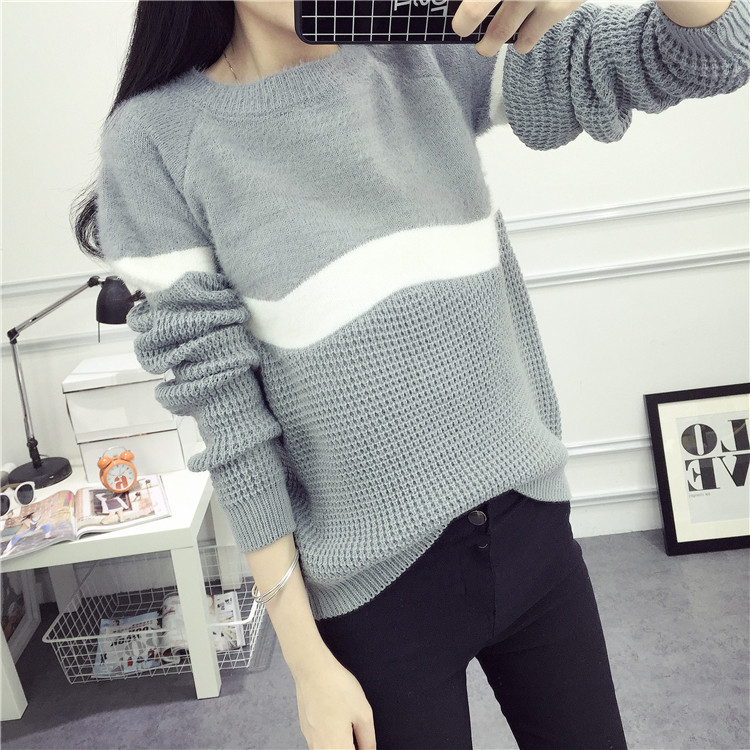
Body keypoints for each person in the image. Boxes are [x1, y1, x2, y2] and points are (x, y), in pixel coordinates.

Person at [73, 1, 749, 748]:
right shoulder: (156, 139)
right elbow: (230, 424)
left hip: (533, 534)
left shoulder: (426, 51)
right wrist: (307, 664)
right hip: (375, 600)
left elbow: (712, 51)